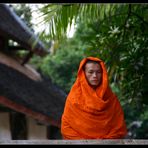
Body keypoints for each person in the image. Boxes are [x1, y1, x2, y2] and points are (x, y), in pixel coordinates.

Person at [61, 56, 127, 139]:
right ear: (83, 73)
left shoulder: (111, 99)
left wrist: (104, 142)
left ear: (103, 74)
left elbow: (119, 128)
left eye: (98, 72)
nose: (95, 75)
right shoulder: (73, 98)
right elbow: (66, 127)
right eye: (90, 72)